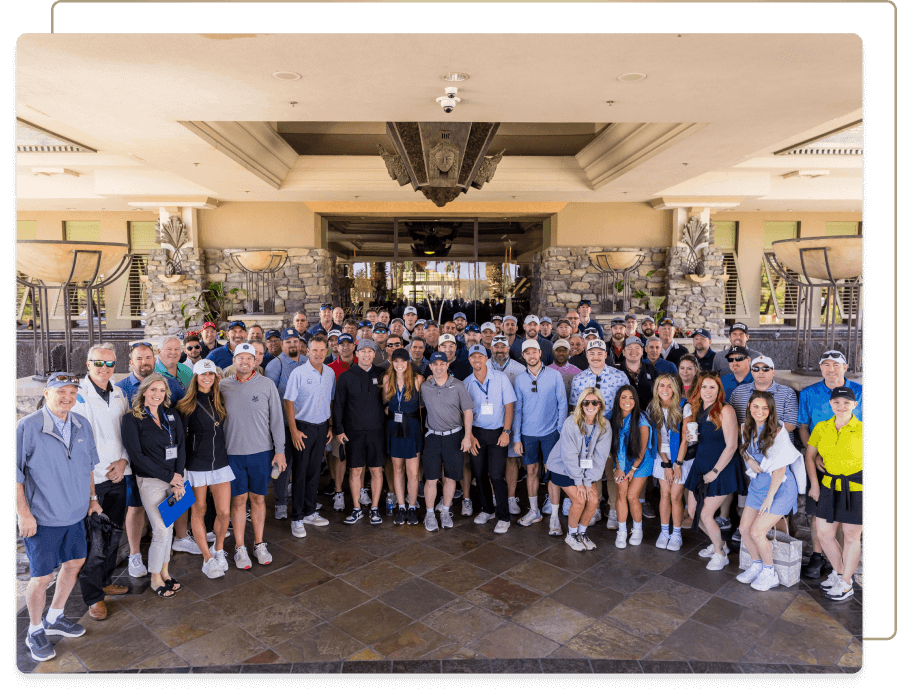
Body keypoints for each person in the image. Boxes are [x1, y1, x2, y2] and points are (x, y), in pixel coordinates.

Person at [17, 373, 101, 661]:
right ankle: (35, 630)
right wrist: (23, 514)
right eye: (61, 391)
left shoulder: (81, 424)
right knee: (41, 578)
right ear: (47, 393)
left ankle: (55, 616)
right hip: (43, 518)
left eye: (72, 391)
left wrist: (92, 499)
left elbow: (89, 464)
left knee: (75, 562)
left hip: (76, 514)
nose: (67, 396)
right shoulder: (27, 427)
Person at [116, 341, 188, 577]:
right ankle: (146, 567)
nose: (157, 393)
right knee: (153, 523)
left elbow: (180, 445)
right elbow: (137, 455)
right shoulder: (125, 403)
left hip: (174, 477)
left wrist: (178, 478)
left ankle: (164, 573)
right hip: (149, 477)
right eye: (152, 390)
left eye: (161, 390)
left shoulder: (171, 414)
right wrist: (172, 477)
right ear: (143, 391)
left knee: (167, 526)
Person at [70, 343, 131, 620]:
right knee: (94, 540)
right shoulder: (78, 396)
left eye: (109, 364)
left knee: (113, 534)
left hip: (118, 474)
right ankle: (93, 598)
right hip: (93, 479)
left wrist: (123, 461)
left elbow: (126, 432)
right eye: (98, 363)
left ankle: (105, 581)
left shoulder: (118, 392)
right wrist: (91, 479)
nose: (104, 369)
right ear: (88, 364)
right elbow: (76, 444)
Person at [219, 344, 287, 568]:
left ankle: (259, 543)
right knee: (238, 501)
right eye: (241, 358)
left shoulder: (267, 385)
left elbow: (277, 420)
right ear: (234, 360)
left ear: (256, 361)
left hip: (261, 453)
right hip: (232, 454)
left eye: (250, 358)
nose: (245, 362)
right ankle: (240, 548)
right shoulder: (222, 386)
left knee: (258, 499)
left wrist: (280, 451)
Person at [797, 349, 863, 579]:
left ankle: (844, 567)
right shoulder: (808, 393)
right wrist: (814, 454)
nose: (831, 369)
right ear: (821, 368)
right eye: (826, 364)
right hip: (821, 463)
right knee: (820, 513)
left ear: (845, 367)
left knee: (847, 519)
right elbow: (803, 426)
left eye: (836, 364)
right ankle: (819, 555)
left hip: (852, 467)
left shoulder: (860, 392)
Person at [735, 391, 802, 591]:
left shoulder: (777, 433)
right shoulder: (745, 427)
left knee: (757, 532)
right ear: (749, 406)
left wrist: (769, 498)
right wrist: (749, 460)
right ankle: (756, 565)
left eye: (765, 408)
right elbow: (744, 449)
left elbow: (780, 468)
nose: (760, 411)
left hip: (779, 487)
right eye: (756, 406)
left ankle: (769, 572)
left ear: (771, 410)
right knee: (744, 530)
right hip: (758, 486)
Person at [175, 359, 235, 580]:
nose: (207, 378)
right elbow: (180, 441)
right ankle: (207, 558)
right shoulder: (186, 405)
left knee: (224, 512)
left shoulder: (219, 399)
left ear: (215, 377)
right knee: (198, 510)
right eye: (203, 375)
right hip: (196, 465)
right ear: (196, 378)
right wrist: (178, 471)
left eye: (211, 374)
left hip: (220, 462)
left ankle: (219, 549)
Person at [683, 373, 746, 570]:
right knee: (693, 512)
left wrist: (716, 471)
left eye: (712, 387)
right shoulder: (698, 409)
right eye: (704, 387)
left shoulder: (725, 410)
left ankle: (720, 554)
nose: (708, 391)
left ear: (719, 390)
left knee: (706, 513)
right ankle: (719, 543)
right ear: (698, 390)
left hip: (722, 467)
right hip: (700, 464)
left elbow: (732, 445)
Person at [805, 386, 863, 601]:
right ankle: (839, 574)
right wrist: (814, 484)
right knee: (824, 534)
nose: (841, 406)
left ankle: (846, 583)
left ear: (855, 405)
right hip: (828, 486)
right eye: (837, 402)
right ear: (830, 404)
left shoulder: (862, 428)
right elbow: (810, 456)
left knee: (851, 536)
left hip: (856, 488)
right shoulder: (821, 427)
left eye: (846, 402)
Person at [546, 388, 612, 551]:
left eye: (594, 402)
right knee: (579, 500)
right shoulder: (571, 422)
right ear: (581, 405)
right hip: (562, 467)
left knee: (594, 501)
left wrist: (588, 481)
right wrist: (579, 482)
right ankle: (572, 535)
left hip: (585, 469)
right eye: (586, 402)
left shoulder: (604, 425)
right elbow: (569, 456)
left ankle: (582, 533)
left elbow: (599, 457)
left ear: (600, 405)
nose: (590, 405)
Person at [511, 339, 568, 528]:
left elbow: (563, 405)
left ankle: (554, 517)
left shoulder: (554, 375)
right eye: (527, 353)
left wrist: (560, 433)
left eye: (534, 352)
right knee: (531, 471)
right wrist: (517, 438)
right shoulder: (519, 378)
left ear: (540, 353)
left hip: (551, 432)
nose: (532, 356)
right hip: (528, 434)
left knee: (552, 473)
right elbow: (517, 410)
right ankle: (534, 511)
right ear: (523, 356)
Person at [283, 337, 335, 538]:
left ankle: (309, 512)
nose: (319, 353)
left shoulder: (329, 372)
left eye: (322, 350)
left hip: (322, 428)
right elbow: (288, 402)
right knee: (300, 473)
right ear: (308, 351)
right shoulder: (299, 373)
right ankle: (296, 517)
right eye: (315, 350)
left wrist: (330, 425)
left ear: (326, 350)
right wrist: (294, 430)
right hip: (303, 428)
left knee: (314, 472)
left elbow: (329, 400)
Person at [419, 351, 475, 532]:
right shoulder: (425, 386)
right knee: (431, 479)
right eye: (435, 364)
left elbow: (467, 411)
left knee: (451, 477)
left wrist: (467, 436)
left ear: (447, 365)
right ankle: (429, 513)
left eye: (442, 364)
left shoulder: (458, 385)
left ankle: (445, 510)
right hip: (433, 436)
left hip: (454, 436)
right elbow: (420, 409)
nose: (439, 367)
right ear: (431, 366)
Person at [333, 338, 388, 525]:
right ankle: (356, 508)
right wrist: (338, 430)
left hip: (376, 431)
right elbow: (338, 405)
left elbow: (390, 397)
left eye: (370, 351)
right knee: (355, 470)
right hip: (353, 432)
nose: (366, 354)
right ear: (357, 354)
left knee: (376, 470)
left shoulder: (382, 374)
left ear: (374, 354)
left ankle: (374, 508)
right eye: (363, 351)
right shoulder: (346, 376)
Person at [465, 344, 516, 534]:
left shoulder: (500, 378)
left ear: (486, 358)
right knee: (479, 474)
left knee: (496, 475)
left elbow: (509, 406)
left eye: (480, 356)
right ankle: (487, 510)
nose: (476, 360)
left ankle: (504, 517)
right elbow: (465, 412)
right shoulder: (467, 382)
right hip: (477, 433)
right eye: (473, 357)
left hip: (497, 433)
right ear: (469, 360)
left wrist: (506, 431)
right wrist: (469, 435)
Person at [265, 328, 308, 519]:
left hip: (305, 423)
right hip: (283, 424)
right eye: (288, 341)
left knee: (303, 465)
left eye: (295, 341)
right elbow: (270, 398)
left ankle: (303, 499)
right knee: (283, 465)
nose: (292, 345)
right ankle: (281, 502)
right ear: (282, 344)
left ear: (300, 343)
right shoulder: (276, 365)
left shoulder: (308, 362)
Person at [646, 375, 692, 551]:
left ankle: (677, 533)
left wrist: (677, 465)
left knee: (676, 495)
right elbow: (656, 436)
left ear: (675, 388)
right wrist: (666, 464)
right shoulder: (653, 406)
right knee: (664, 493)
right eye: (661, 386)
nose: (665, 389)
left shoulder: (684, 406)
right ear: (656, 388)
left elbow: (685, 440)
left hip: (680, 455)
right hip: (662, 455)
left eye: (669, 386)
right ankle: (665, 532)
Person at [383, 347, 426, 525]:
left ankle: (412, 506)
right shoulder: (387, 380)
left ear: (408, 362)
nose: (399, 364)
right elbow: (384, 403)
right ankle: (401, 507)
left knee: (413, 472)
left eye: (402, 361)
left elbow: (424, 406)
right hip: (394, 427)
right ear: (392, 363)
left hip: (412, 427)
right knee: (397, 469)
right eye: (396, 361)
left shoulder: (417, 380)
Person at [608, 385, 652, 548]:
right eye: (623, 397)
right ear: (618, 400)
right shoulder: (612, 417)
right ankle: (622, 532)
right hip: (621, 461)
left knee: (633, 496)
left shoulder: (641, 419)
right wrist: (619, 466)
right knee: (621, 494)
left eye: (631, 397)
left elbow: (642, 450)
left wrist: (632, 469)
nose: (627, 401)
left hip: (640, 462)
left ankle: (637, 529)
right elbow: (613, 446)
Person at [490, 335, 528, 516]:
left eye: (503, 347)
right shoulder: (484, 366)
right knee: (492, 461)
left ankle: (511, 497)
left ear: (508, 348)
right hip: (489, 423)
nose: (499, 350)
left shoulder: (520, 369)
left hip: (513, 422)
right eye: (496, 347)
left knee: (512, 460)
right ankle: (495, 496)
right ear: (491, 348)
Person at [325, 333, 357, 511]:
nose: (345, 347)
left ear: (354, 345)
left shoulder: (363, 364)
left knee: (358, 457)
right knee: (339, 456)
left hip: (359, 420)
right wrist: (332, 424)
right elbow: (329, 400)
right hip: (340, 420)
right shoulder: (329, 369)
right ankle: (338, 492)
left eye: (348, 344)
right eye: (341, 344)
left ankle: (359, 490)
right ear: (336, 346)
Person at [620, 336, 655, 409]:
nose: (634, 351)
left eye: (637, 348)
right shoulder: (616, 372)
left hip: (647, 417)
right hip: (623, 417)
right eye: (629, 348)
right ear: (623, 352)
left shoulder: (652, 370)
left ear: (642, 351)